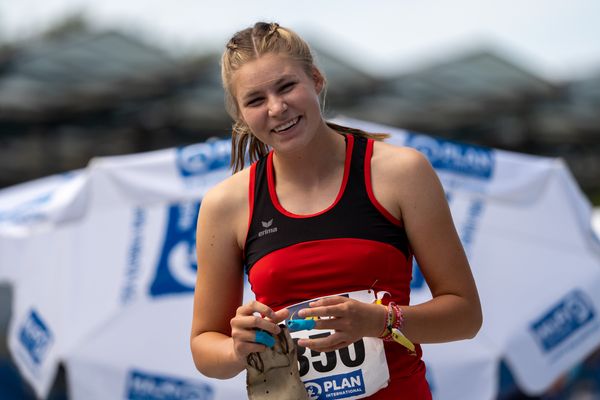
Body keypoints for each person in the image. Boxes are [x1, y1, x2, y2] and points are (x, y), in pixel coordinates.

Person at [190, 21, 482, 399]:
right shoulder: (225, 204)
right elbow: (203, 345)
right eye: (255, 100)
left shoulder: (401, 173)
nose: (277, 108)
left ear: (316, 79)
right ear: (241, 114)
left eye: (286, 86)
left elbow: (466, 316)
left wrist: (380, 320)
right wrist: (236, 348)